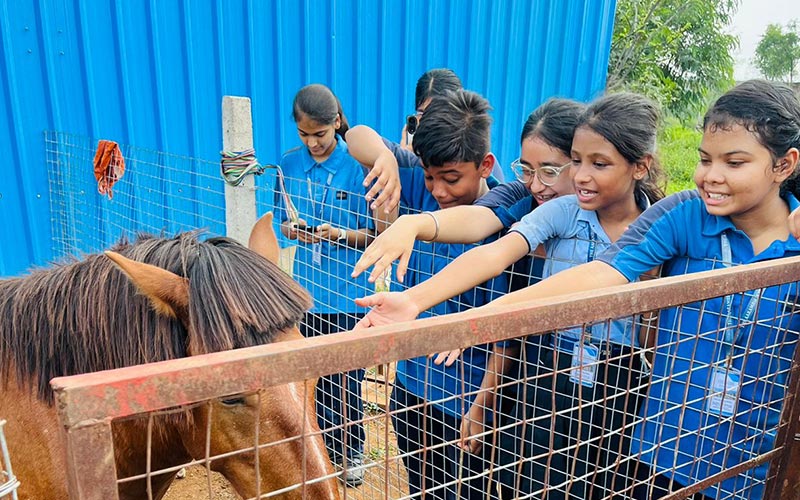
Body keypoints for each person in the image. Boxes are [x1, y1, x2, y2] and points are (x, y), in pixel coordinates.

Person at [368, 79, 800, 499]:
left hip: (755, 461)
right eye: (705, 159)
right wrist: (437, 308)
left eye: (734, 163)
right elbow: (592, 277)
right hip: (662, 453)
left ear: (784, 165)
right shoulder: (685, 216)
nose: (711, 176)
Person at [354, 92, 666, 499]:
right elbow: (491, 250)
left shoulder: (662, 225)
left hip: (619, 380)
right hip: (545, 370)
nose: (582, 175)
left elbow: (651, 334)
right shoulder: (556, 210)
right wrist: (416, 289)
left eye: (595, 163)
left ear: (639, 166)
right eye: (577, 161)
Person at [353, 88, 506, 499]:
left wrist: (481, 407)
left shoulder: (506, 217)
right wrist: (384, 158)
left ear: (485, 165)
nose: (437, 191)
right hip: (414, 386)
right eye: (429, 176)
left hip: (468, 397)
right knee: (423, 486)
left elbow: (508, 334)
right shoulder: (422, 190)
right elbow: (355, 136)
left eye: (451, 179)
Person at [275, 83, 373, 486]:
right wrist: (294, 230)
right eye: (304, 135)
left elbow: (374, 233)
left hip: (350, 295)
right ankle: (322, 452)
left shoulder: (359, 166)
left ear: (336, 123)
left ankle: (353, 451)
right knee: (312, 380)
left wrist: (338, 235)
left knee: (347, 381)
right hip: (308, 296)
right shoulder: (287, 164)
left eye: (320, 134)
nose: (313, 143)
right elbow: (280, 220)